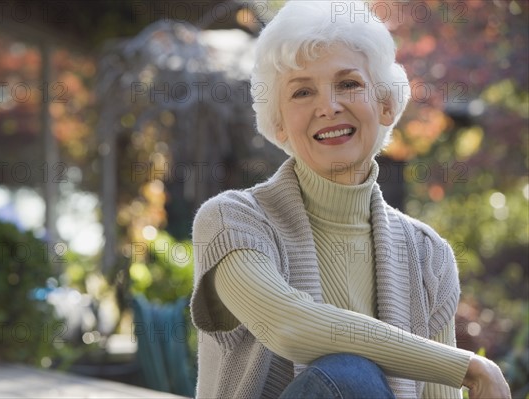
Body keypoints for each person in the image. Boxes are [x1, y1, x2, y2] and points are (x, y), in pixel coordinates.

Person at [189, 1, 511, 398]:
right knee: (349, 374)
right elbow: (289, 326)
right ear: (279, 122)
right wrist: (466, 366)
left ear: (386, 104)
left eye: (349, 84)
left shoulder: (429, 256)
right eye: (303, 91)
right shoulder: (232, 221)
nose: (328, 106)